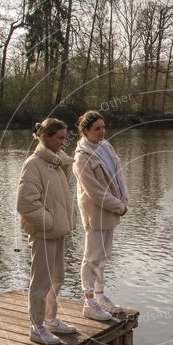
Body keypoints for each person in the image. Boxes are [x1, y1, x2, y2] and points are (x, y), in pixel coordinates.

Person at [16, 118, 77, 345]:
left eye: (64, 137)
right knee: (41, 281)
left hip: (57, 230)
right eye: (60, 137)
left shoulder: (55, 163)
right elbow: (26, 203)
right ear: (47, 137)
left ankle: (50, 319)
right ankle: (37, 327)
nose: (64, 142)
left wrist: (60, 222)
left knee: (57, 278)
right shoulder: (33, 164)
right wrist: (49, 222)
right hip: (43, 232)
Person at [72, 110, 129, 321]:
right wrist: (118, 206)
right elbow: (94, 191)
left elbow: (118, 175)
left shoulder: (105, 146)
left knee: (104, 257)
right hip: (95, 213)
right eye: (97, 128)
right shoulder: (81, 158)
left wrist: (125, 201)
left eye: (103, 127)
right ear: (85, 131)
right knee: (92, 257)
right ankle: (89, 302)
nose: (102, 131)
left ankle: (100, 295)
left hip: (111, 210)